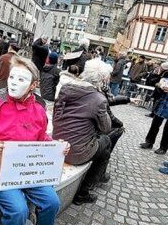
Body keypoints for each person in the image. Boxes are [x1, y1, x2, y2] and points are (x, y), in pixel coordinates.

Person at [0, 56, 69, 225]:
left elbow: (41, 137)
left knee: (51, 201)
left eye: (21, 79)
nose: (13, 83)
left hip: (26, 171)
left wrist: (57, 146)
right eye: (11, 77)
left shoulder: (38, 108)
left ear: (33, 85)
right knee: (18, 210)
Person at [53, 59, 124, 205]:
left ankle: (100, 175)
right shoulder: (98, 99)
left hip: (57, 144)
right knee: (106, 144)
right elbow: (105, 128)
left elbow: (57, 115)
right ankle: (84, 192)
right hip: (76, 153)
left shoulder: (66, 88)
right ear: (103, 80)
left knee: (103, 147)